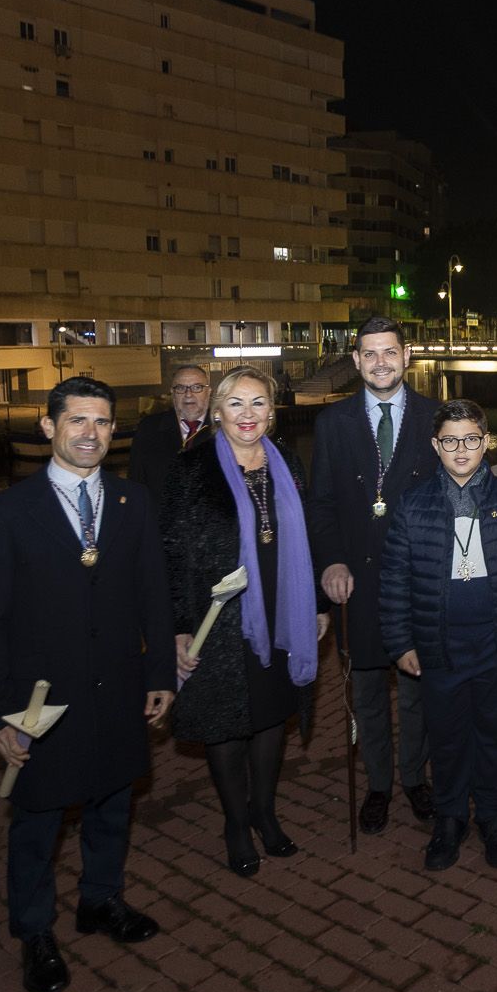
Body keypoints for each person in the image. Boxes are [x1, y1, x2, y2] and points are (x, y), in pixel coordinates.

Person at [0, 376, 176, 992]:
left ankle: (100, 901)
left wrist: (159, 672)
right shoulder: (6, 513)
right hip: (40, 702)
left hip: (118, 687)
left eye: (103, 422)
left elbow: (152, 598)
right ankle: (34, 932)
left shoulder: (134, 503)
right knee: (38, 819)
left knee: (112, 802)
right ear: (48, 426)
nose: (91, 433)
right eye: (78, 420)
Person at [161, 365, 326, 877]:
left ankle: (264, 811)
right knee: (227, 725)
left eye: (258, 404)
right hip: (221, 621)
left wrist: (316, 602)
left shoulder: (289, 464)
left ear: (272, 413)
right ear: (217, 412)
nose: (247, 415)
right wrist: (178, 625)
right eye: (236, 404)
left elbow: (309, 537)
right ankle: (236, 822)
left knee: (272, 717)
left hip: (284, 611)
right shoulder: (192, 469)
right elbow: (170, 551)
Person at [380, 400, 497, 871]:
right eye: (451, 440)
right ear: (436, 446)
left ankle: (495, 816)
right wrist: (400, 642)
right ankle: (450, 818)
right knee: (449, 738)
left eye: (471, 439)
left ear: (485, 442)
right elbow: (394, 580)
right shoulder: (413, 506)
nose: (462, 449)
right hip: (438, 647)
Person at [309, 317, 440, 836]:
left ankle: (415, 779)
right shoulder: (332, 423)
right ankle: (379, 785)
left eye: (390, 352)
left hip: (417, 582)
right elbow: (319, 504)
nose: (380, 362)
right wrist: (332, 561)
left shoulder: (435, 418)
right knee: (365, 691)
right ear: (357, 360)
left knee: (415, 689)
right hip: (357, 583)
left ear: (407, 357)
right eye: (370, 354)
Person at [129, 365, 212, 515]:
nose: (188, 394)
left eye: (197, 387)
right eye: (180, 388)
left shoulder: (224, 430)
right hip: (160, 529)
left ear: (209, 392)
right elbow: (136, 484)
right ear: (172, 393)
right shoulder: (149, 429)